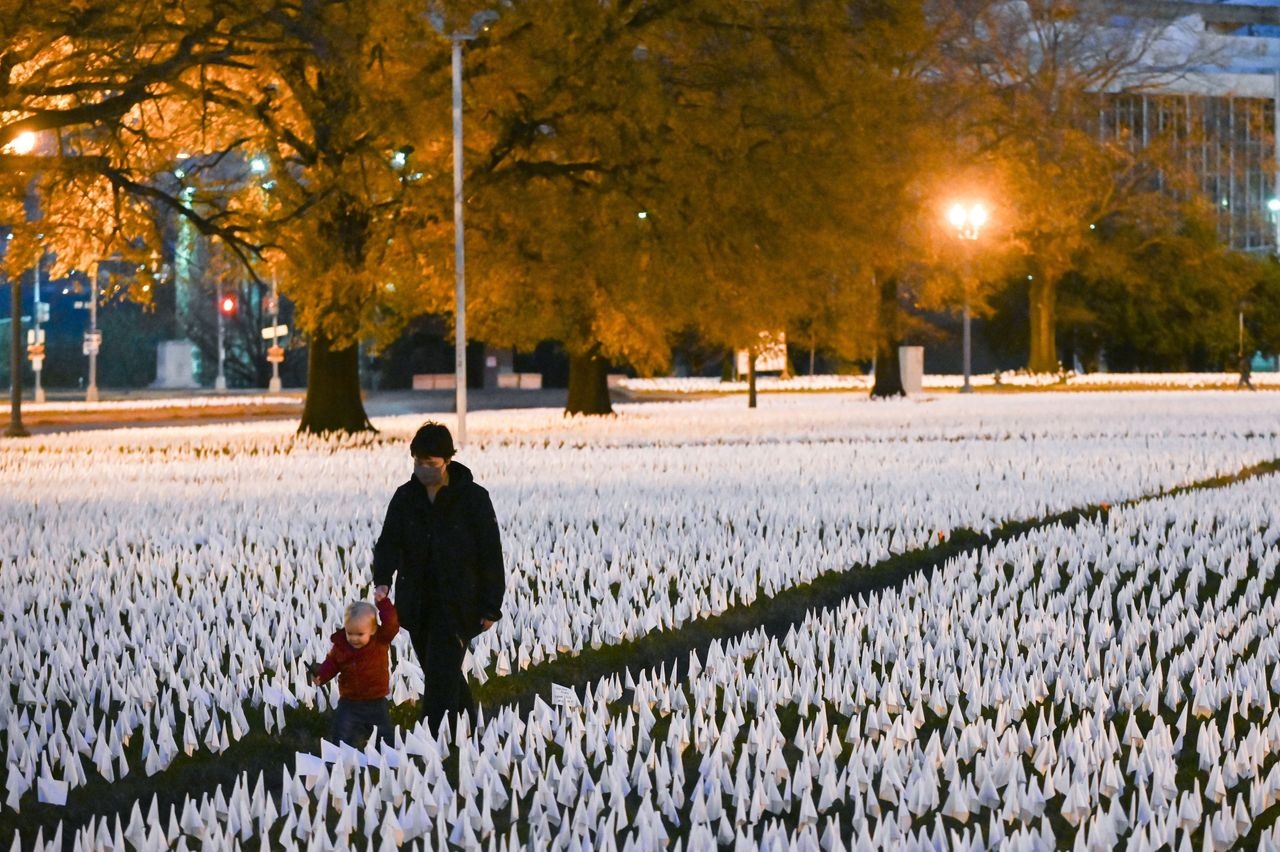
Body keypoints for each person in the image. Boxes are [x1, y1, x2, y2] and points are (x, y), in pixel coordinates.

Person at [373, 421, 505, 734]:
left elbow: (490, 552)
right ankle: (469, 728)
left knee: (440, 675)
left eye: (430, 464)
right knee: (439, 671)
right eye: (418, 462)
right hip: (417, 602)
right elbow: (389, 540)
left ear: (447, 461)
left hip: (459, 603)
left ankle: (428, 740)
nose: (423, 469)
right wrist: (382, 578)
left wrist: (490, 606)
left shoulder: (472, 498)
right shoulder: (406, 498)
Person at [311, 592, 399, 746]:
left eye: (360, 634)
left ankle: (388, 759)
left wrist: (383, 603)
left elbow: (392, 624)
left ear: (372, 631)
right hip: (350, 700)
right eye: (349, 633)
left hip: (376, 700)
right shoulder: (341, 647)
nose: (354, 638)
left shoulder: (379, 641)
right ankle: (339, 758)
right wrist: (322, 675)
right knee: (342, 730)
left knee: (383, 733)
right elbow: (332, 663)